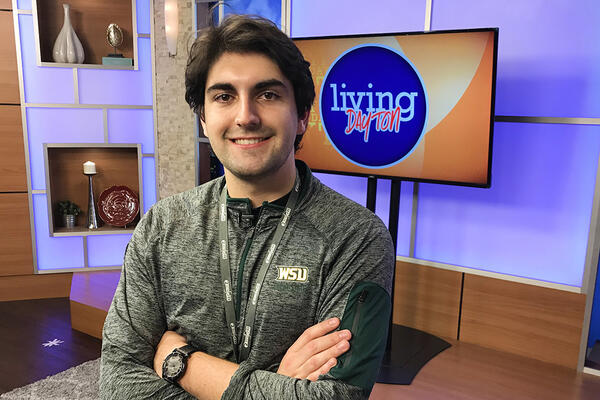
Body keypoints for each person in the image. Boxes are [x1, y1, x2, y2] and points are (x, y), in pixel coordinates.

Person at [100, 14, 394, 400]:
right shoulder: (162, 226)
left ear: (302, 116)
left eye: (268, 94)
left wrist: (182, 362)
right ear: (204, 119)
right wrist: (277, 386)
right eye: (224, 96)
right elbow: (117, 381)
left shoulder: (356, 237)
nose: (245, 117)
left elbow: (337, 396)